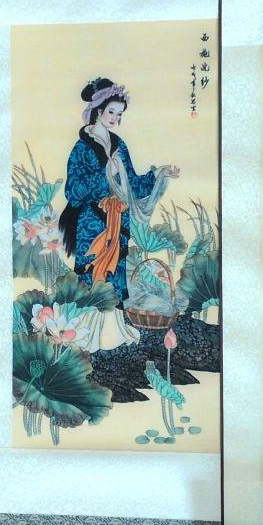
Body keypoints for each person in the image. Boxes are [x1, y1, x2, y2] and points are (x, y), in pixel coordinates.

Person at [59, 79, 179, 350]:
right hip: (92, 223)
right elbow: (73, 191)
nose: (115, 118)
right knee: (92, 275)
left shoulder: (119, 145)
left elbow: (133, 184)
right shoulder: (81, 148)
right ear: (98, 110)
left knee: (115, 275)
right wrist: (106, 175)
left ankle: (114, 333)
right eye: (111, 112)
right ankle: (86, 335)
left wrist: (158, 174)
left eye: (119, 114)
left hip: (118, 221)